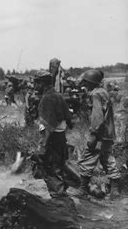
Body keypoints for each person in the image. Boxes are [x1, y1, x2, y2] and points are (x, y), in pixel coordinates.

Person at [77, 69, 122, 199]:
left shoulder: (96, 94)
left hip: (99, 135)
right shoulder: (104, 92)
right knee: (107, 159)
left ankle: (82, 189)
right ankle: (115, 190)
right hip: (108, 134)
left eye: (86, 81)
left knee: (88, 157)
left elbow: (97, 118)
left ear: (90, 82)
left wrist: (94, 135)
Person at [34, 70, 73, 198]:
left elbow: (48, 127)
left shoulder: (47, 98)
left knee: (51, 171)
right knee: (59, 168)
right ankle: (63, 196)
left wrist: (43, 146)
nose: (35, 86)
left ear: (43, 83)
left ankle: (59, 202)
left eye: (37, 83)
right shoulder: (58, 95)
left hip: (51, 139)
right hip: (61, 138)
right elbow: (69, 119)